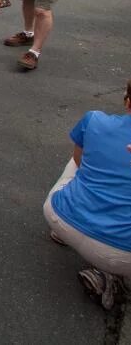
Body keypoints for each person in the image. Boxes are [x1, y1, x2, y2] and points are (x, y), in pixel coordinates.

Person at [44, 80, 131, 308]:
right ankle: (114, 277)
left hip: (61, 216)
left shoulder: (95, 119)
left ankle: (64, 232)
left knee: (80, 157)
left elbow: (79, 161)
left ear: (127, 101)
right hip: (121, 253)